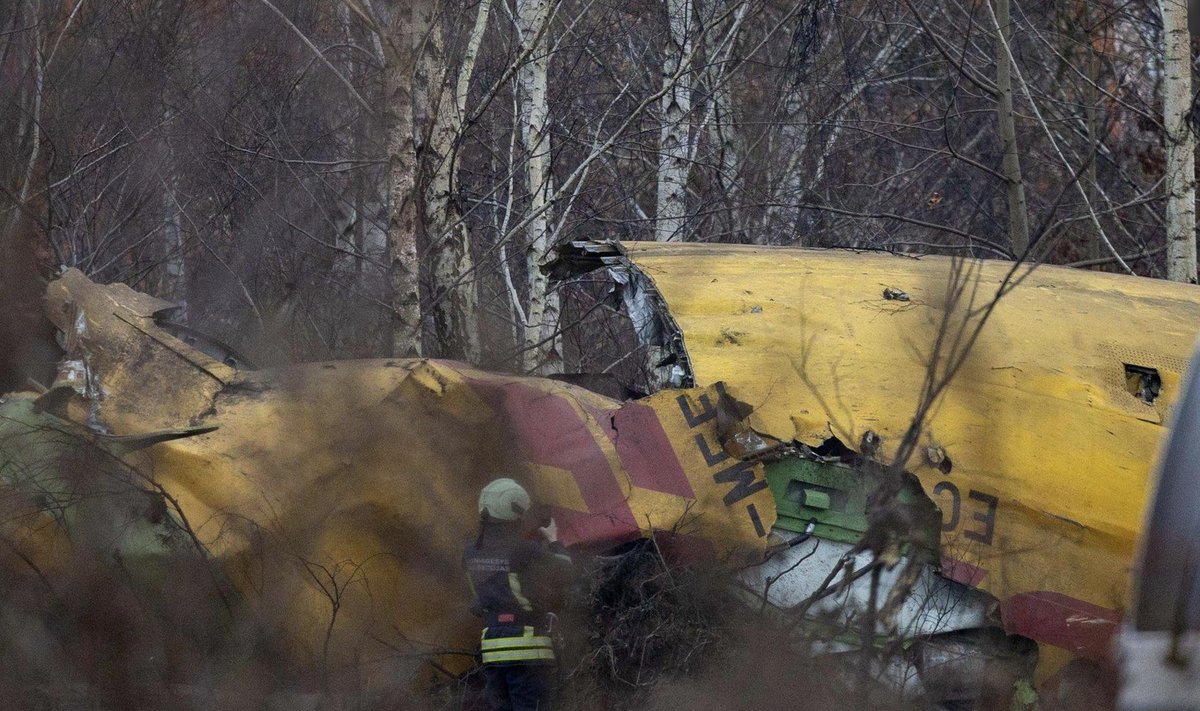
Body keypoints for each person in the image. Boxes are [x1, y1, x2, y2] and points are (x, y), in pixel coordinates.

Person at [464, 478, 573, 711]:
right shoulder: (522, 550)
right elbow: (564, 571)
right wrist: (554, 540)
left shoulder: (471, 553)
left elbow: (477, 605)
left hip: (493, 653)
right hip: (528, 651)